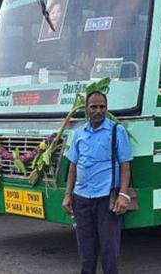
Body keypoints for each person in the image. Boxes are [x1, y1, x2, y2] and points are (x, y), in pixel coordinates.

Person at [62, 90, 132, 274]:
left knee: (109, 250)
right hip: (82, 198)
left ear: (106, 109)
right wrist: (68, 195)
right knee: (86, 250)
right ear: (86, 109)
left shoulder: (117, 131)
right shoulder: (78, 134)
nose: (98, 111)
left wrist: (123, 195)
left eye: (102, 107)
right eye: (94, 107)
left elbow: (125, 165)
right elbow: (73, 166)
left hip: (106, 198)